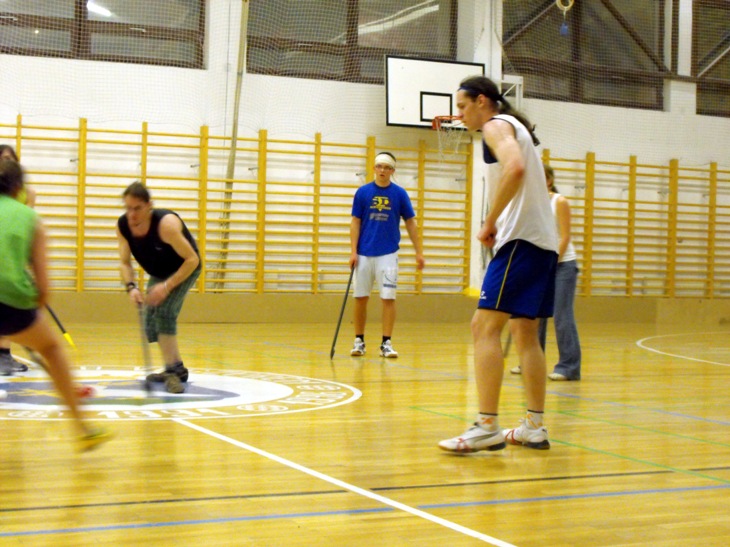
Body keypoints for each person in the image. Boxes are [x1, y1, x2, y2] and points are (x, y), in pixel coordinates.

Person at [438, 75, 558, 453]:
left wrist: (490, 221)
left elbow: (515, 168)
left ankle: (487, 425)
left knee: (483, 326)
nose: (459, 114)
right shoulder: (514, 126)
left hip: (520, 240)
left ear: (482, 102)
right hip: (543, 243)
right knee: (525, 333)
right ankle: (533, 427)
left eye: (462, 106)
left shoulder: (495, 126)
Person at [0, 160, 110, 451]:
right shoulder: (30, 219)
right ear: (20, 189)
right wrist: (32, 309)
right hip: (12, 305)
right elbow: (45, 289)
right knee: (52, 349)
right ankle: (84, 430)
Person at [116, 181, 201, 393]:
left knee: (164, 312)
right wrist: (131, 287)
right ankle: (176, 368)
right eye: (128, 208)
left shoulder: (166, 225)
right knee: (150, 321)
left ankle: (172, 371)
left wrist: (166, 287)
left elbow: (192, 260)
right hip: (159, 272)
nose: (132, 214)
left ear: (149, 206)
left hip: (184, 267)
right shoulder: (124, 226)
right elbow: (125, 263)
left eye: (137, 208)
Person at [349, 152, 425, 358]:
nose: (382, 170)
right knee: (360, 297)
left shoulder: (399, 194)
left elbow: (410, 222)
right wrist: (353, 251)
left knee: (388, 298)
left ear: (392, 171)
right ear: (374, 168)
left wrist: (419, 252)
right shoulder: (363, 192)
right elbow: (355, 222)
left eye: (387, 167)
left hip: (388, 254)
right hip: (364, 254)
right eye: (379, 166)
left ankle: (386, 343)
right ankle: (359, 341)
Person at [512, 165, 582, 381]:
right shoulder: (530, 203)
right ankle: (531, 361)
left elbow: (565, 236)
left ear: (549, 180)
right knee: (534, 316)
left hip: (562, 265)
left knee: (561, 315)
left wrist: (552, 262)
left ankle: (569, 367)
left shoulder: (559, 202)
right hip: (539, 265)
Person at [0, 144, 35, 375]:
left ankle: (4, 355)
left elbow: (26, 225)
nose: (7, 162)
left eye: (10, 159)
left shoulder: (27, 194)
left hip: (12, 255)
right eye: (3, 158)